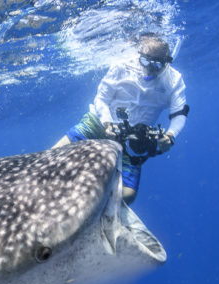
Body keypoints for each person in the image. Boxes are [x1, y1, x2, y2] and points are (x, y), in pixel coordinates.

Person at [53, 33, 189, 204]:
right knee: (53, 153)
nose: (150, 70)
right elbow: (101, 99)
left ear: (167, 61)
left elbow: (179, 114)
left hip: (133, 140)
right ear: (140, 55)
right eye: (146, 63)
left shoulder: (174, 80)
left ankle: (85, 204)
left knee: (128, 196)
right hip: (98, 122)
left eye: (157, 65)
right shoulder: (121, 66)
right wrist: (107, 123)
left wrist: (170, 136)